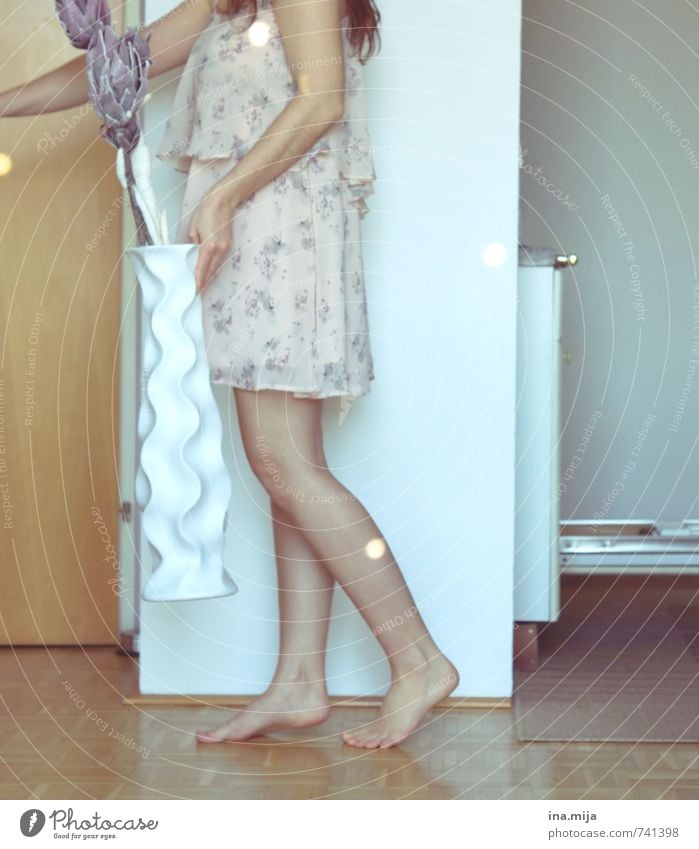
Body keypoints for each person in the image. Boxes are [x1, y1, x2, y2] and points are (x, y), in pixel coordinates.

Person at [0, 0, 458, 749]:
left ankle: (418, 659)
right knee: (287, 466)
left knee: (282, 463)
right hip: (254, 229)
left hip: (281, 225)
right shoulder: (227, 3)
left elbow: (320, 99)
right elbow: (115, 69)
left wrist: (219, 195)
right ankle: (300, 679)